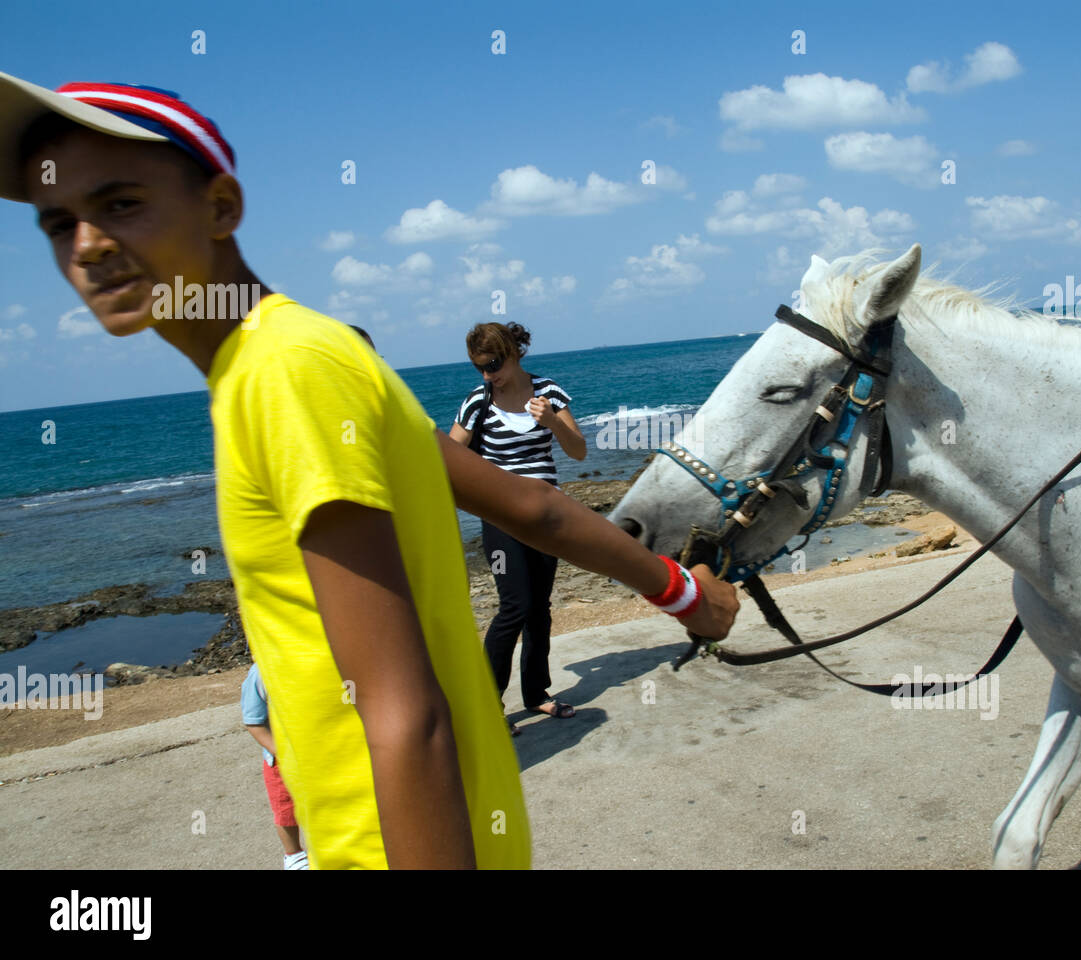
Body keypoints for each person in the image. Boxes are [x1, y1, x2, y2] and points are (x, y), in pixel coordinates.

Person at [0, 72, 737, 869]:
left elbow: (402, 708)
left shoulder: (282, 370)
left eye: (119, 203)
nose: (87, 244)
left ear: (220, 206)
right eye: (56, 223)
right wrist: (684, 593)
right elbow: (534, 508)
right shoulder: (311, 353)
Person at [449, 323, 585, 731]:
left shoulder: (549, 392)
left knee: (539, 609)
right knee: (515, 606)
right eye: (480, 368)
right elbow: (448, 457)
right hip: (502, 518)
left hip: (546, 517)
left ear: (514, 352)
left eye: (493, 365)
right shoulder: (479, 401)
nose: (488, 375)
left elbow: (578, 451)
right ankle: (489, 705)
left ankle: (536, 694)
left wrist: (554, 423)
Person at [240, 662, 309, 869]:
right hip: (281, 762)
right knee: (286, 810)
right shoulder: (260, 673)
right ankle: (294, 855)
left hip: (316, 754)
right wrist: (282, 753)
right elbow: (253, 722)